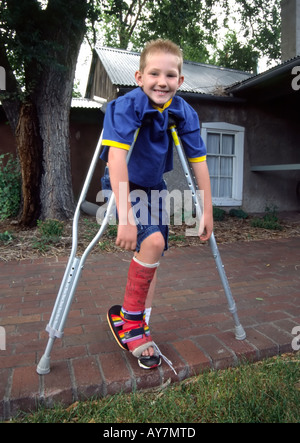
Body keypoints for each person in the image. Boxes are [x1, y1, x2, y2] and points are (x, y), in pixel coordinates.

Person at [102, 39, 213, 370]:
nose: (161, 81)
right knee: (152, 241)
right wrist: (125, 220)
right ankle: (132, 323)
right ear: (139, 77)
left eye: (170, 75)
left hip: (154, 187)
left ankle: (138, 320)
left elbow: (199, 163)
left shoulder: (184, 112)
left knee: (154, 251)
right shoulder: (127, 106)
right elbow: (116, 159)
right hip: (123, 184)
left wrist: (206, 210)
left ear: (180, 81)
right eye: (154, 73)